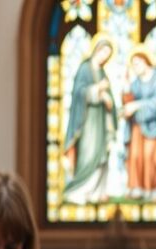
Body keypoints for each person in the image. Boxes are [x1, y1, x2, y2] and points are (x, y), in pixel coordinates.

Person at [62, 37, 116, 205]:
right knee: (88, 153)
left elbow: (109, 97)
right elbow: (79, 93)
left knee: (101, 155)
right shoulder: (84, 69)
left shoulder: (102, 72)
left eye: (108, 54)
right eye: (103, 52)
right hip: (87, 122)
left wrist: (108, 101)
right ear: (96, 50)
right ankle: (79, 190)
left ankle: (98, 192)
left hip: (101, 121)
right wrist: (97, 90)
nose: (104, 57)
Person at [122, 48, 156, 202]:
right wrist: (126, 87)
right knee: (136, 156)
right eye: (133, 65)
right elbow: (128, 103)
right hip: (138, 127)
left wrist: (137, 106)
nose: (135, 68)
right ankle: (137, 187)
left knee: (152, 157)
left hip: (154, 126)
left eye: (137, 64)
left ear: (145, 61)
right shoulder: (136, 82)